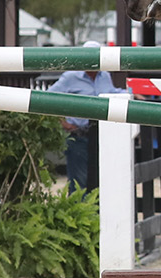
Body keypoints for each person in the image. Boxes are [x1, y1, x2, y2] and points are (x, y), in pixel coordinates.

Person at [47, 40, 121, 190]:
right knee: (79, 180)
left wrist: (134, 93)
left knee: (98, 178)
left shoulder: (104, 76)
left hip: (100, 135)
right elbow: (48, 99)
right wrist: (64, 123)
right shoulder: (70, 77)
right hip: (78, 135)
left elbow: (112, 92)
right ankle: (78, 211)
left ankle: (95, 212)